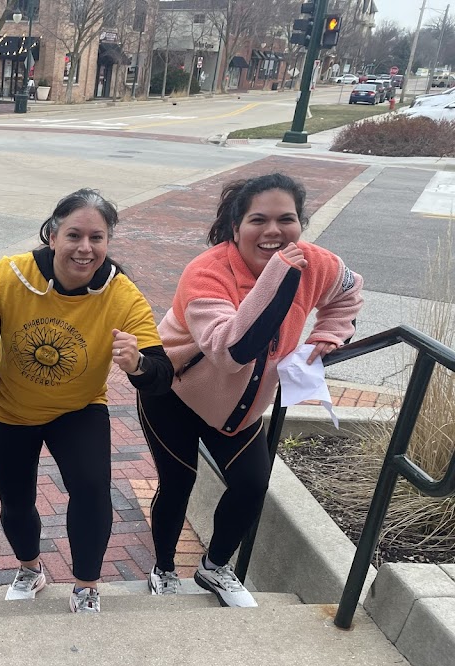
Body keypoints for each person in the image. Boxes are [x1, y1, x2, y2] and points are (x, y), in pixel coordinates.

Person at [140, 173, 363, 607]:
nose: (273, 231)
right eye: (258, 220)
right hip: (174, 394)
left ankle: (214, 567)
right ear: (235, 226)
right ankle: (163, 569)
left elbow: (350, 290)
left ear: (301, 223)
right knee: (178, 483)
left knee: (252, 483)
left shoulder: (314, 263)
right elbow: (231, 352)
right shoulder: (206, 272)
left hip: (240, 407)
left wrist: (331, 331)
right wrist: (278, 273)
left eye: (287, 219)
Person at [0, 189, 173, 614]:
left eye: (96, 237)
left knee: (91, 491)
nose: (84, 248)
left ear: (107, 242)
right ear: (52, 236)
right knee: (16, 500)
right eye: (74, 235)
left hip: (79, 409)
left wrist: (139, 364)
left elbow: (162, 375)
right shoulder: (12, 274)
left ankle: (86, 586)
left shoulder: (120, 293)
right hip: (11, 408)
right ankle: (30, 568)